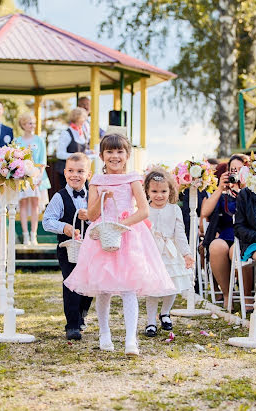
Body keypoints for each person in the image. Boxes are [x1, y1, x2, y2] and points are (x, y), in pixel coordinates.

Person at [64, 134, 176, 356]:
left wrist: (120, 225)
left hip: (128, 237)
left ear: (127, 155)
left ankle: (130, 339)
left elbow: (143, 211)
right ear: (102, 156)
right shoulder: (95, 180)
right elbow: (92, 214)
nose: (115, 157)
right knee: (103, 289)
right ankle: (104, 333)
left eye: (119, 152)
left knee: (128, 289)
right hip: (101, 237)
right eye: (110, 152)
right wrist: (102, 199)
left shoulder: (133, 179)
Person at [42, 153, 92, 340]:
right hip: (67, 248)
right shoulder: (59, 197)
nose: (75, 175)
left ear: (88, 174)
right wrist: (65, 227)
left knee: (88, 284)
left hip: (90, 247)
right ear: (64, 172)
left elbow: (100, 215)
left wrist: (91, 216)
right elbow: (47, 221)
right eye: (71, 171)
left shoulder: (92, 196)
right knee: (71, 283)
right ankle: (72, 325)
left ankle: (81, 314)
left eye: (80, 171)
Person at [143, 168, 194, 337]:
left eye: (163, 191)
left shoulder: (174, 209)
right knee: (153, 289)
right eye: (154, 191)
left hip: (170, 253)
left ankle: (165, 313)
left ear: (170, 191)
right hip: (151, 253)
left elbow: (179, 233)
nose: (159, 195)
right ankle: (151, 321)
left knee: (172, 286)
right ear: (147, 191)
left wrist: (186, 253)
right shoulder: (144, 210)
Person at [200, 155, 249, 310]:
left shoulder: (253, 191)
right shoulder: (223, 194)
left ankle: (247, 296)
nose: (236, 173)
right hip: (227, 234)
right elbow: (205, 213)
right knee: (216, 247)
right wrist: (220, 188)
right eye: (233, 170)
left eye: (240, 170)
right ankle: (227, 294)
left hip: (246, 235)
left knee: (238, 250)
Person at [15, 112, 50, 245]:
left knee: (35, 205)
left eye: (34, 123)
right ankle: (25, 235)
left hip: (37, 176)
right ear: (23, 125)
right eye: (30, 123)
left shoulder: (39, 140)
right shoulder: (17, 141)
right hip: (22, 177)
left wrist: (39, 175)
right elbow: (16, 159)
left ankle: (33, 235)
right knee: (23, 204)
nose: (33, 126)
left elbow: (42, 160)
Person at [55, 108, 89, 188]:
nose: (84, 121)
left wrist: (89, 152)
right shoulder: (66, 133)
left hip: (81, 171)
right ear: (77, 119)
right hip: (68, 172)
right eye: (83, 119)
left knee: (86, 193)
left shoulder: (83, 132)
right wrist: (77, 156)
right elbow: (59, 154)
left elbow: (82, 150)